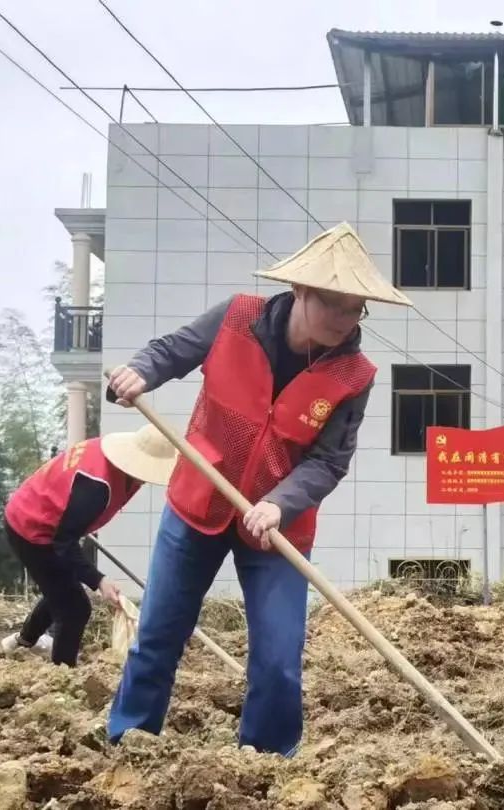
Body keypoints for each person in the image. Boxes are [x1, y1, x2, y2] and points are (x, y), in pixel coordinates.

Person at [105, 222, 413, 756]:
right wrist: (140, 372)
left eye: (355, 309)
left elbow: (328, 462)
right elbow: (172, 350)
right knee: (157, 635)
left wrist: (279, 504)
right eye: (334, 304)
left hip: (277, 528)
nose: (344, 320)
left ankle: (267, 762)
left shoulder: (354, 375)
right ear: (299, 291)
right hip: (196, 506)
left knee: (277, 657)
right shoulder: (236, 318)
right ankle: (129, 742)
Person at [1, 425, 177, 667]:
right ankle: (62, 673)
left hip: (46, 515)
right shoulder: (96, 488)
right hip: (32, 528)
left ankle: (22, 643)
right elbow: (64, 541)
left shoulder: (114, 459)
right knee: (75, 608)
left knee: (62, 590)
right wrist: (98, 580)